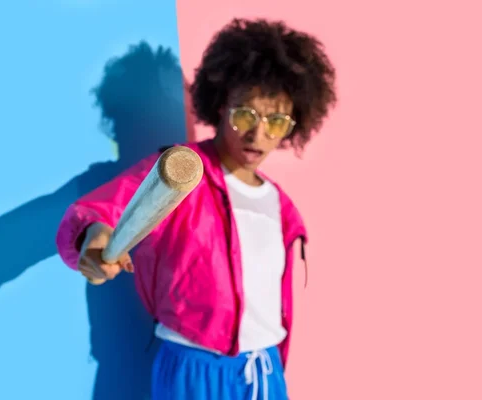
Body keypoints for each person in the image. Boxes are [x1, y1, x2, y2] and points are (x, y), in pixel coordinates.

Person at [56, 18, 336, 400]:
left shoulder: (282, 207)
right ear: (221, 105)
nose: (258, 135)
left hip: (265, 372)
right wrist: (93, 238)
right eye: (245, 115)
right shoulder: (182, 170)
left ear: (292, 125)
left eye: (275, 121)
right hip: (193, 370)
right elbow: (93, 214)